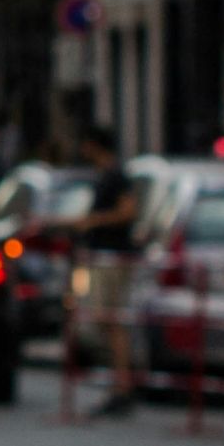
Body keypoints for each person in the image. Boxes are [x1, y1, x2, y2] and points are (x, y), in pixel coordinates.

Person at [68, 126, 140, 416]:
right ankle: (119, 382)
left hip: (111, 256)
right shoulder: (104, 175)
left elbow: (128, 211)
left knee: (108, 318)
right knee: (105, 319)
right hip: (102, 255)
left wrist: (94, 221)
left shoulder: (115, 175)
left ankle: (122, 384)